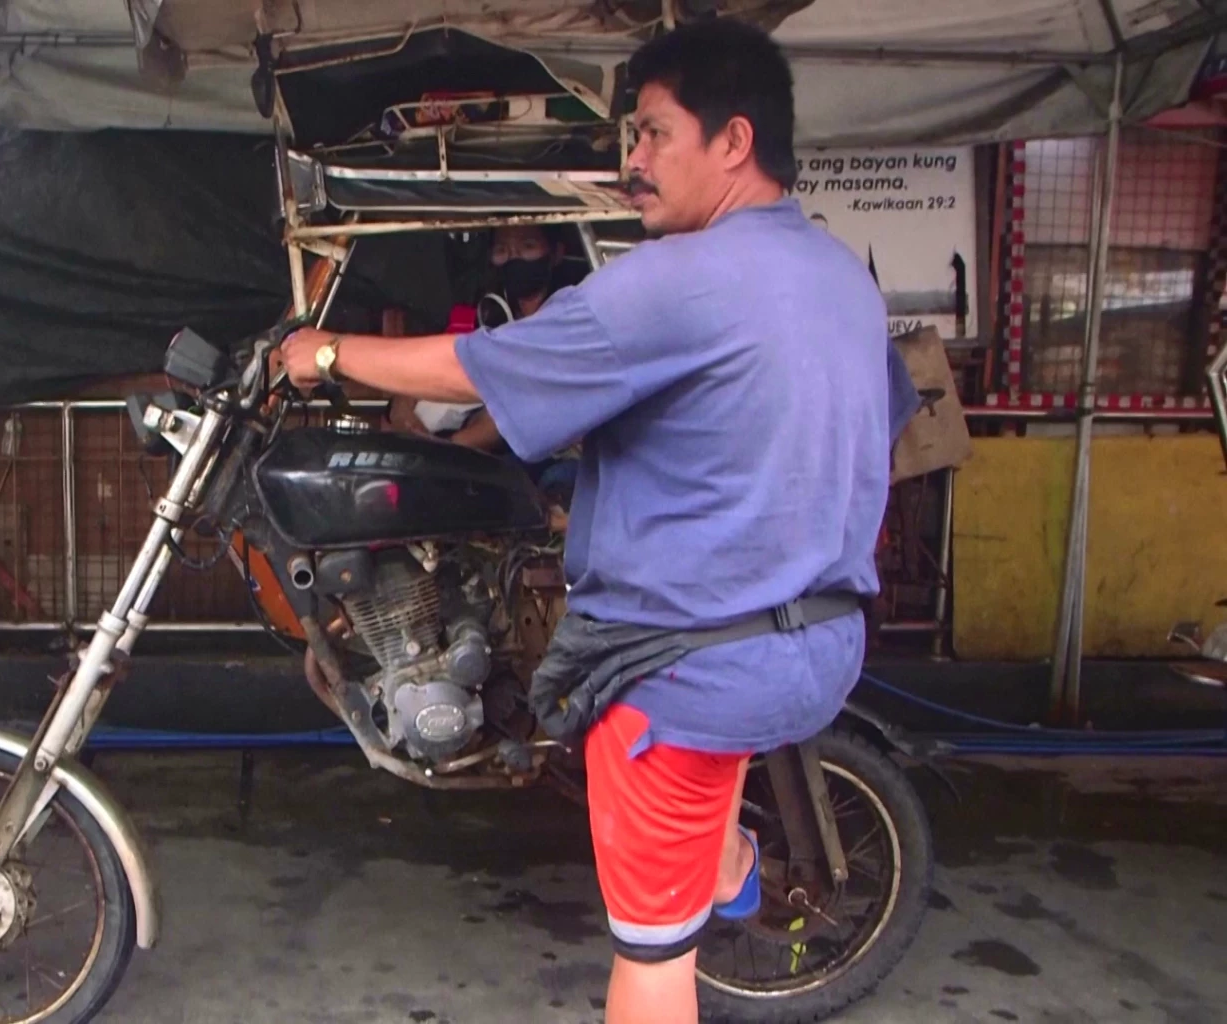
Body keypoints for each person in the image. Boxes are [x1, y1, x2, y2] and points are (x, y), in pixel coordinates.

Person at [282, 19, 915, 1023]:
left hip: (686, 671)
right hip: (819, 644)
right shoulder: (840, 276)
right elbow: (856, 433)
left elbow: (470, 369)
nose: (631, 163)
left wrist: (324, 354)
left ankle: (714, 876)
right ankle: (729, 865)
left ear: (733, 142)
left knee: (650, 960)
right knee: (697, 821)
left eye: (654, 134)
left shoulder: (673, 280)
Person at [390, 223, 571, 452]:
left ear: (556, 253)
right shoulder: (483, 315)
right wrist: (403, 407)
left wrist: (444, 449)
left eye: (528, 246)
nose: (514, 258)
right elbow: (440, 366)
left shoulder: (569, 323)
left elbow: (513, 409)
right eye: (502, 250)